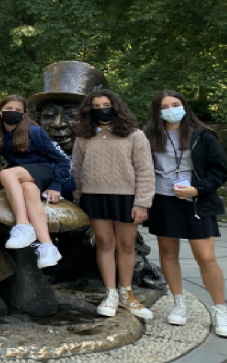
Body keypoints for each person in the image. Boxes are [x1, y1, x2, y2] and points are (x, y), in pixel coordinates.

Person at [143, 90, 227, 338]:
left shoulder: (203, 136)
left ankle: (220, 311)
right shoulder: (149, 135)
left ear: (184, 106)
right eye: (166, 106)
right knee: (168, 253)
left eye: (176, 104)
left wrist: (198, 189)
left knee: (206, 258)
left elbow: (219, 171)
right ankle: (179, 303)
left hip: (196, 201)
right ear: (157, 111)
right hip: (163, 200)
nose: (172, 109)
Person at [0, 94, 70, 268]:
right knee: (29, 190)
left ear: (24, 115)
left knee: (7, 174)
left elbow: (63, 160)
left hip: (43, 169)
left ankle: (23, 225)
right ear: (0, 110)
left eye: (18, 110)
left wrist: (56, 186)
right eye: (9, 109)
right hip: (24, 177)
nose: (13, 112)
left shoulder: (35, 132)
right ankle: (48, 246)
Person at [71, 90, 154, 319]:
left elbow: (146, 171)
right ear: (90, 110)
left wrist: (142, 203)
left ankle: (127, 293)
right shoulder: (83, 136)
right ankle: (110, 294)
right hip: (94, 196)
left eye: (106, 104)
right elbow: (77, 169)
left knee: (127, 245)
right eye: (96, 106)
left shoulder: (135, 135)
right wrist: (79, 197)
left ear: (115, 107)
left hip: (127, 197)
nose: (101, 109)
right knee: (105, 244)